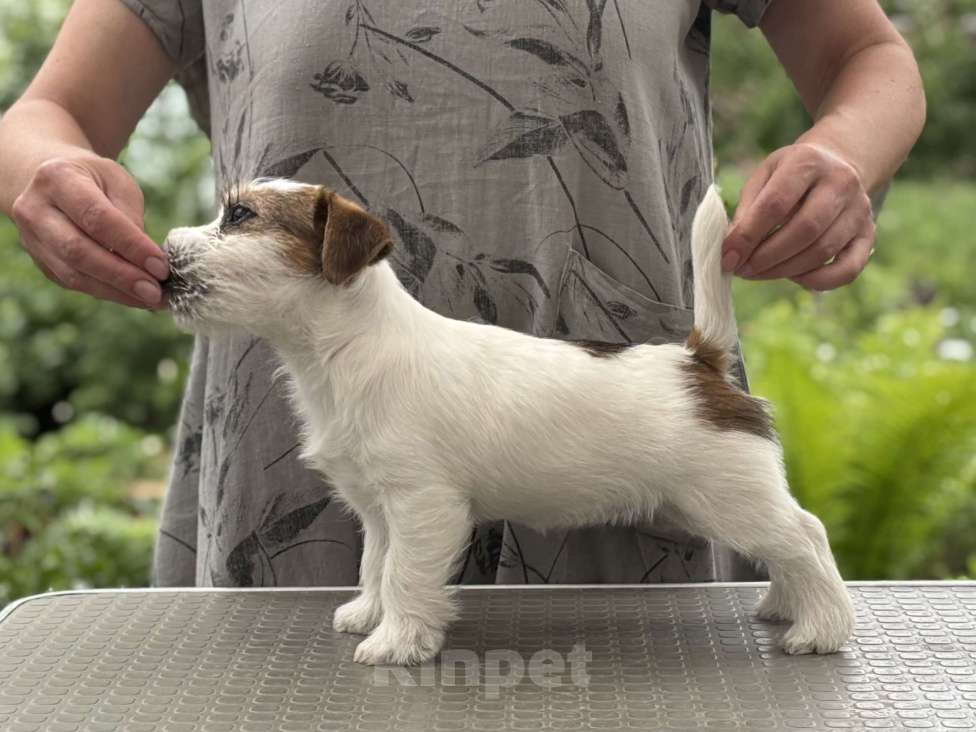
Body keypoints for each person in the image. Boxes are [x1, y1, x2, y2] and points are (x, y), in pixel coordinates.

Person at [0, 1, 924, 588]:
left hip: (614, 419)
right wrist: (44, 168)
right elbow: (50, 112)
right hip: (290, 463)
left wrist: (841, 156)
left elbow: (868, 54)